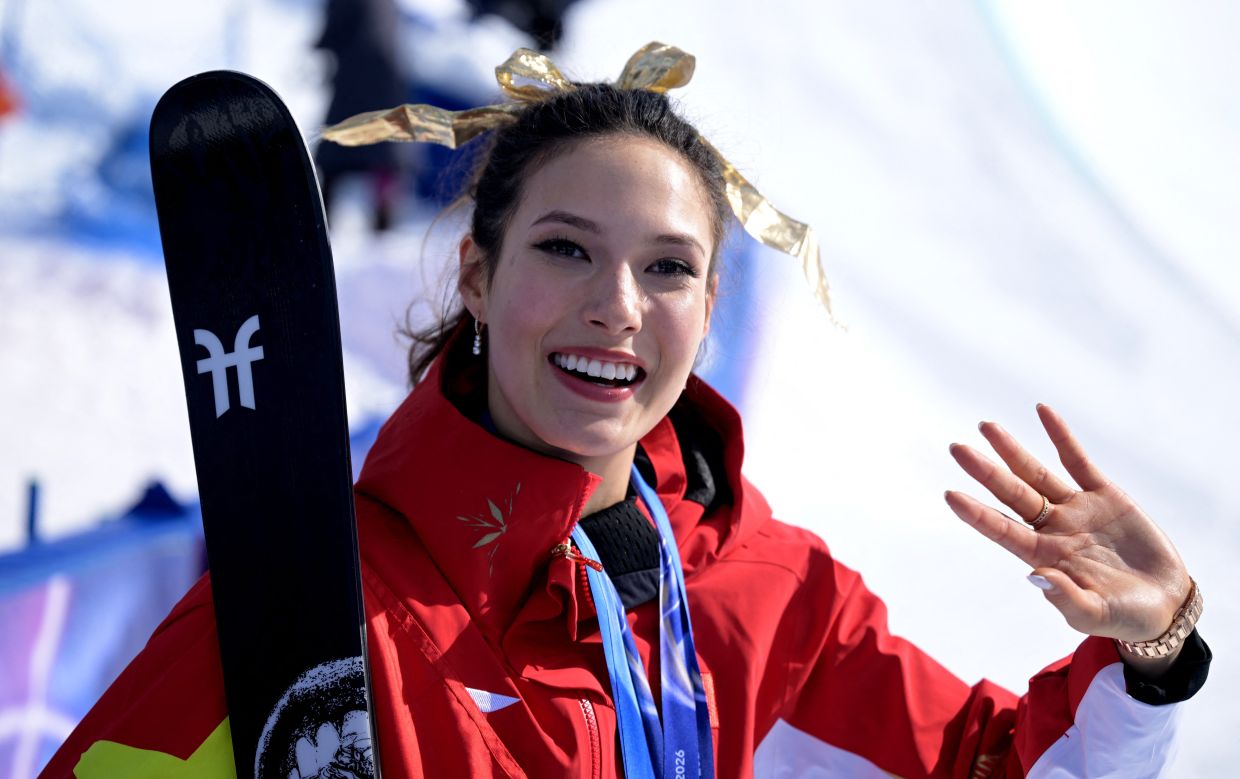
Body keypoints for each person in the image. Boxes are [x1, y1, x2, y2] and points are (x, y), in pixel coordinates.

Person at [45, 45, 1209, 778]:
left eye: (666, 269)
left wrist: (1152, 651)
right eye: (565, 249)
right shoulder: (310, 611)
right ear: (476, 275)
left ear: (707, 308)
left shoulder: (761, 596)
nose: (616, 307)